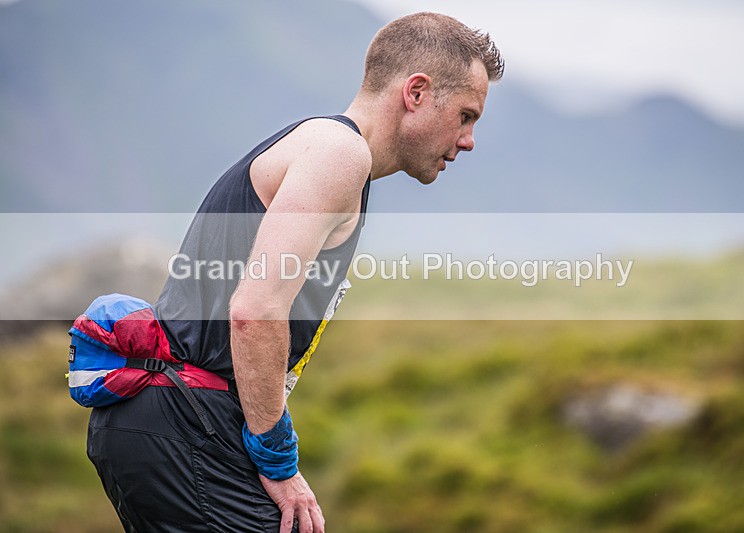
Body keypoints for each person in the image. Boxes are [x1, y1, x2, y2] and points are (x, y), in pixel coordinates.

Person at [85, 11, 503, 533]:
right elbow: (255, 310)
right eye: (466, 116)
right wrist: (279, 462)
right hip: (185, 419)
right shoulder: (338, 154)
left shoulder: (324, 151)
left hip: (163, 417)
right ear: (415, 92)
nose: (468, 140)